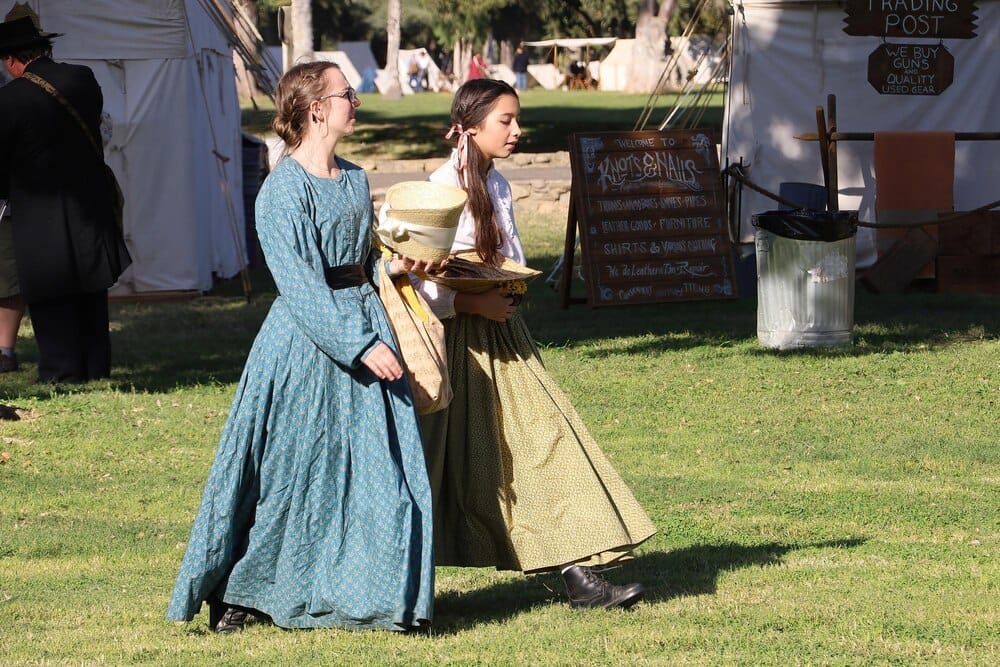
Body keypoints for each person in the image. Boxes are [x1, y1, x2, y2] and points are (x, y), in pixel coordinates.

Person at [167, 62, 441, 633]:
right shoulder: (281, 191)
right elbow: (299, 284)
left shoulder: (356, 179)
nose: (356, 101)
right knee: (287, 476)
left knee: (379, 473)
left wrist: (398, 268)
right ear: (317, 108)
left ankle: (380, 594)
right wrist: (360, 344)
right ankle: (241, 592)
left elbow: (361, 264)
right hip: (307, 344)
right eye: (347, 94)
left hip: (366, 326)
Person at [416, 79, 657, 609]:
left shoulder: (495, 183)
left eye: (515, 119)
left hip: (505, 334)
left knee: (543, 444)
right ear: (471, 125)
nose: (517, 130)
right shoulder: (441, 186)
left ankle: (580, 574)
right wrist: (474, 305)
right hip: (459, 346)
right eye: (506, 120)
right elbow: (418, 283)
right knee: (442, 466)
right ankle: (396, 581)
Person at [0, 15, 130, 383]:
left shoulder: (10, 99)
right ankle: (95, 367)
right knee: (89, 287)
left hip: (39, 208)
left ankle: (60, 370)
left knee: (49, 290)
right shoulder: (82, 79)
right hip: (90, 199)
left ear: (13, 60)